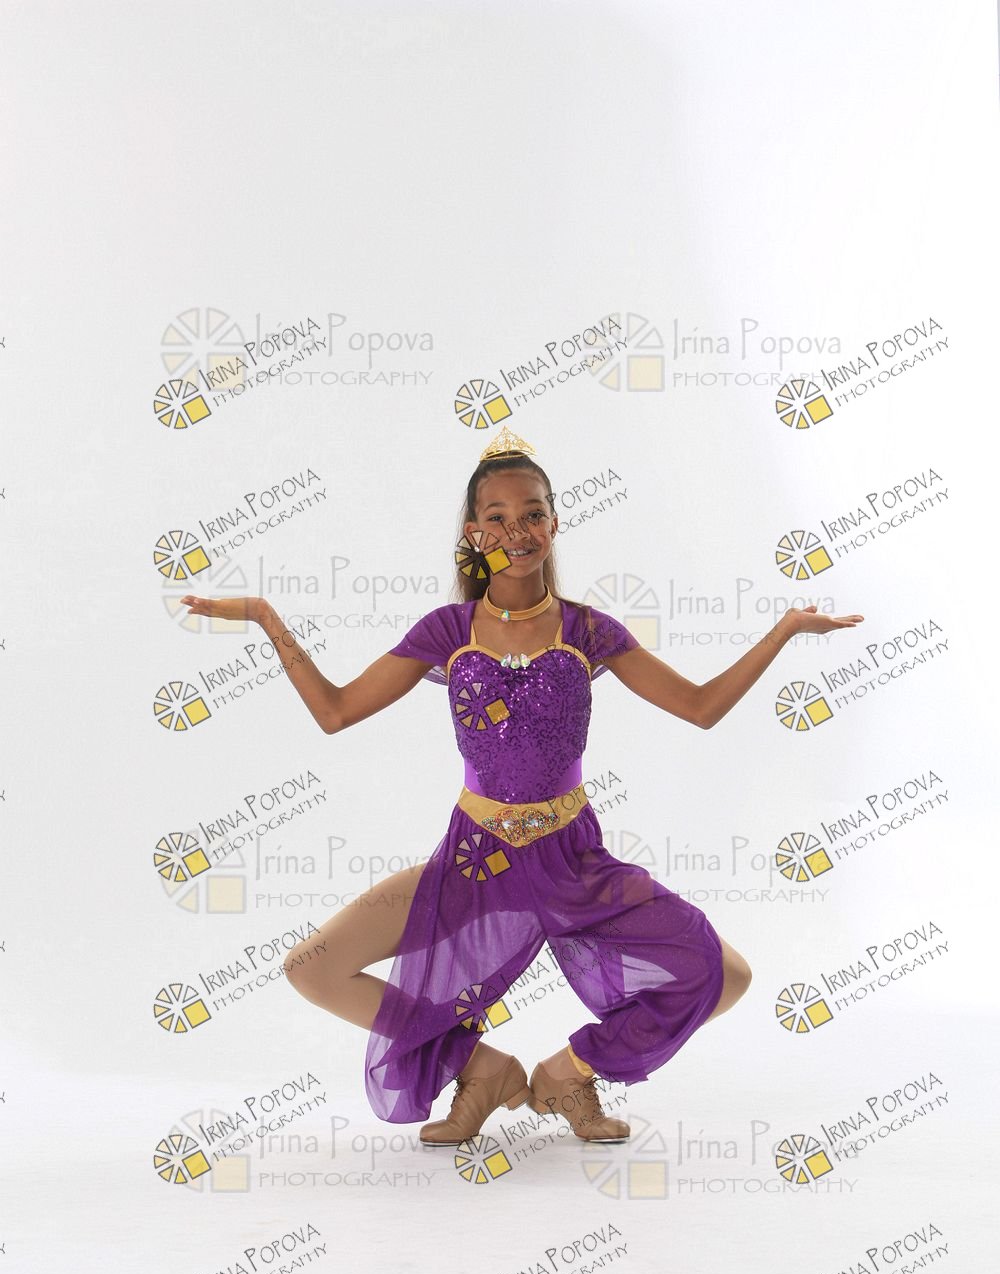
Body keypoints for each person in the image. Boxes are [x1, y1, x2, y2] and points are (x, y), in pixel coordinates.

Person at [181, 425, 863, 1149]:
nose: (518, 531)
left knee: (724, 975)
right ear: (473, 534)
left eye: (533, 514)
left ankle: (569, 1073)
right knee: (313, 969)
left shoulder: (589, 630)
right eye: (498, 517)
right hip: (476, 860)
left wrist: (784, 630)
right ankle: (483, 1070)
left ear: (555, 523)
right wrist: (267, 619)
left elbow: (700, 707)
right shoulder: (448, 631)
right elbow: (336, 711)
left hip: (572, 861)